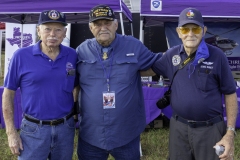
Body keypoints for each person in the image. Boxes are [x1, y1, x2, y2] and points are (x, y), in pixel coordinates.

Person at [75, 4, 161, 160]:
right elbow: (73, 83)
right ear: (90, 27)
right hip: (91, 135)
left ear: (116, 24)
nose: (103, 28)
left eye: (107, 23)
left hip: (126, 134)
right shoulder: (81, 51)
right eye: (97, 24)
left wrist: (183, 55)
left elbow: (157, 63)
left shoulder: (133, 45)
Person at [152, 7, 238, 160]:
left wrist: (230, 132)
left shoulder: (218, 56)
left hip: (209, 130)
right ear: (179, 32)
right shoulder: (171, 55)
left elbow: (230, 93)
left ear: (204, 30)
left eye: (195, 29)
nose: (190, 34)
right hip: (179, 128)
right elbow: (149, 70)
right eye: (185, 30)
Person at [2, 10, 78, 160]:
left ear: (65, 32)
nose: (52, 34)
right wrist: (11, 132)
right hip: (33, 130)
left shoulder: (72, 55)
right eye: (47, 29)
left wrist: (75, 114)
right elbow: (8, 93)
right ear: (38, 30)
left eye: (58, 29)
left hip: (65, 128)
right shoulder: (21, 56)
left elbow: (76, 86)